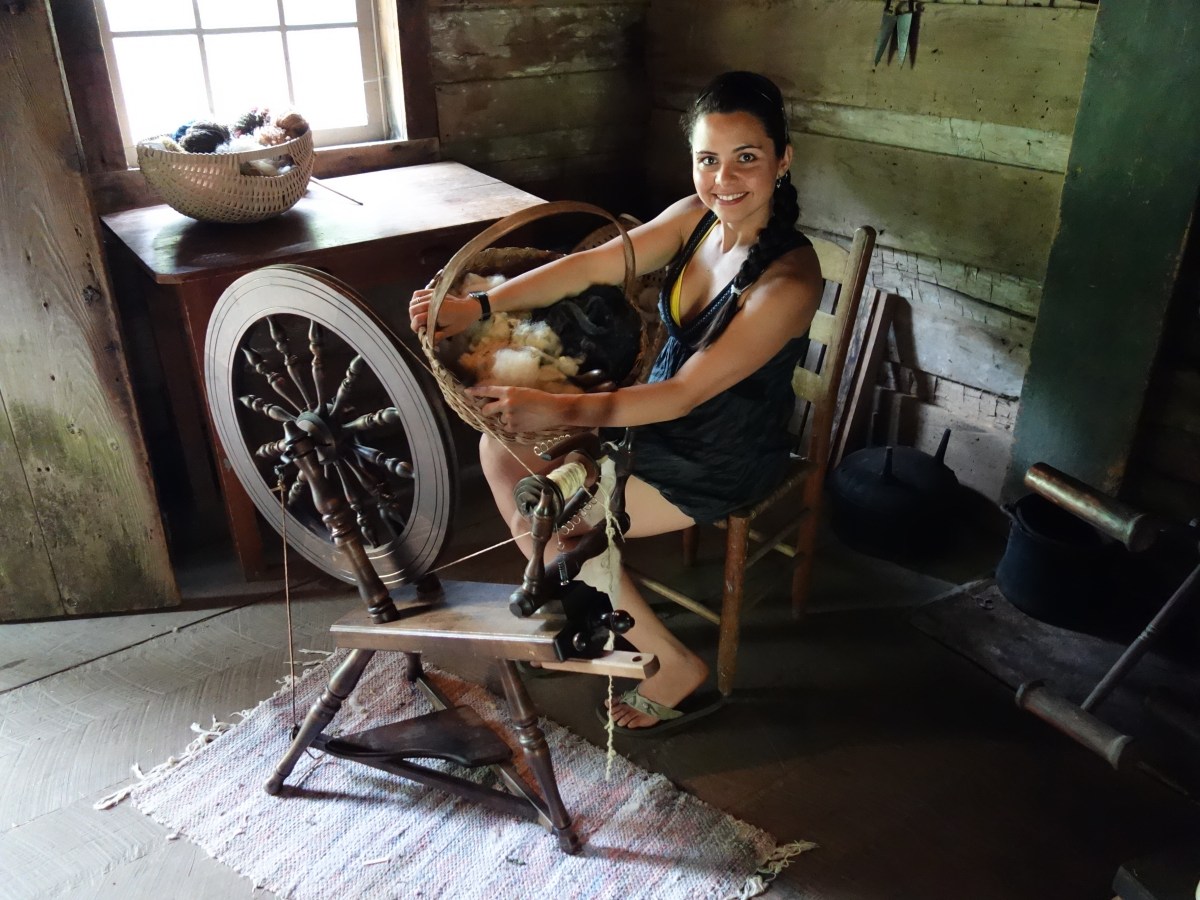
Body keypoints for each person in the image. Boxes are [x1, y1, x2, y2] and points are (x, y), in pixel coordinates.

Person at [409, 71, 823, 733]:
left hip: (719, 453)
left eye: (748, 157)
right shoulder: (695, 221)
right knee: (500, 449)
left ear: (783, 159)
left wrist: (562, 411)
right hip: (646, 421)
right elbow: (595, 264)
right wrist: (477, 305)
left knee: (563, 526)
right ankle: (577, 601)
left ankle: (670, 664)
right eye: (708, 159)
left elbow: (686, 393)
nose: (725, 179)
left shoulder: (788, 281)